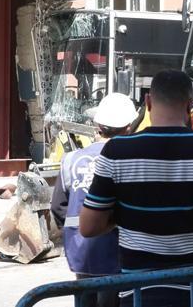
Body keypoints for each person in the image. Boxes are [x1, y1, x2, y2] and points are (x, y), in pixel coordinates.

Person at [80, 70, 193, 307]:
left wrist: (127, 214)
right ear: (190, 103)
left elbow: (89, 227)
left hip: (139, 290)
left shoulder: (116, 152)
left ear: (148, 101)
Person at [51, 93, 138, 307]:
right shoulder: (126, 160)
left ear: (98, 124)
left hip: (79, 252)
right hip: (115, 253)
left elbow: (58, 206)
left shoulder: (71, 159)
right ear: (129, 127)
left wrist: (77, 234)